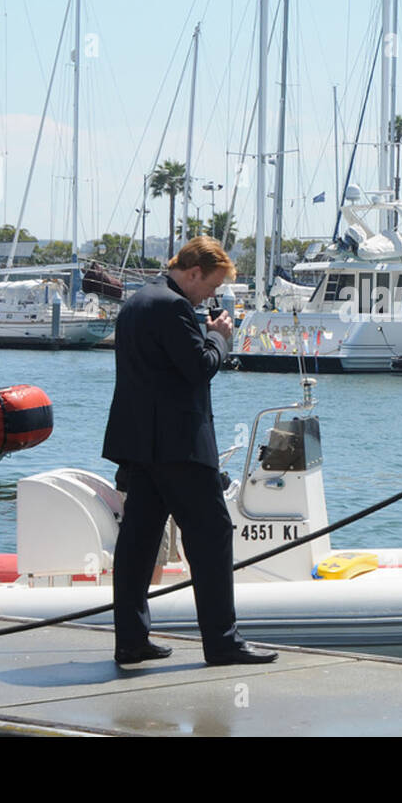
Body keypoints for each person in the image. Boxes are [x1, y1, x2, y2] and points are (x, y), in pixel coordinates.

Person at [102, 236, 277, 668]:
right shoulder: (173, 306)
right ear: (195, 272)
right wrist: (219, 338)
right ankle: (222, 642)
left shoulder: (138, 302)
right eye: (212, 285)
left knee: (139, 541)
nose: (212, 295)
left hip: (141, 445)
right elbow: (199, 367)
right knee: (212, 536)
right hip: (179, 446)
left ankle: (131, 640)